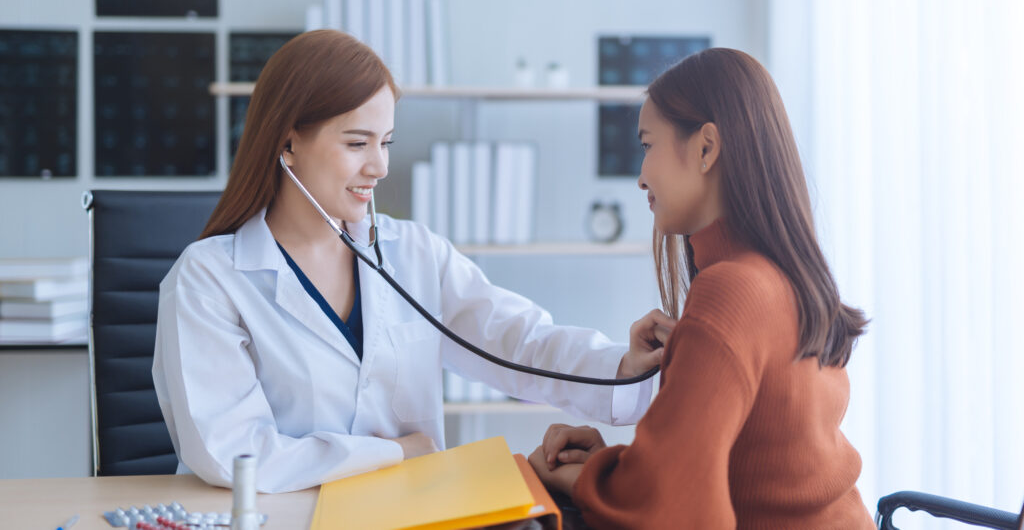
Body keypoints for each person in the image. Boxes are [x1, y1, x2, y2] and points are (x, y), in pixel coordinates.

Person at [152, 30, 674, 493]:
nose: (378, 166)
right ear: (288, 140)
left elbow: (518, 341)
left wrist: (621, 369)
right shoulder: (209, 279)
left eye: (385, 142)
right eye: (357, 142)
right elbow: (236, 455)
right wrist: (398, 452)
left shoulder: (414, 254)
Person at [528, 48, 874, 528]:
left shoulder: (731, 291)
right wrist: (627, 466)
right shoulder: (782, 276)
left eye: (647, 145)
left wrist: (581, 479)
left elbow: (679, 510)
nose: (641, 176)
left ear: (707, 148)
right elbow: (745, 471)